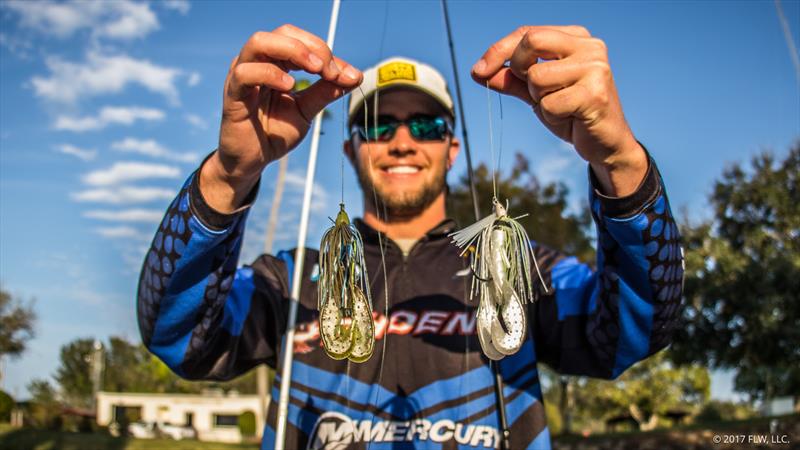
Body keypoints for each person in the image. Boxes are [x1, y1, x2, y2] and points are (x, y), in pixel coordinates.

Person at [137, 24, 684, 449]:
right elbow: (178, 337)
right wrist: (227, 177)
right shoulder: (287, 280)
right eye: (377, 125)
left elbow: (636, 331)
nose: (401, 141)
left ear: (452, 147)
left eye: (425, 125)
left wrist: (620, 164)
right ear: (350, 148)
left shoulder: (525, 271)